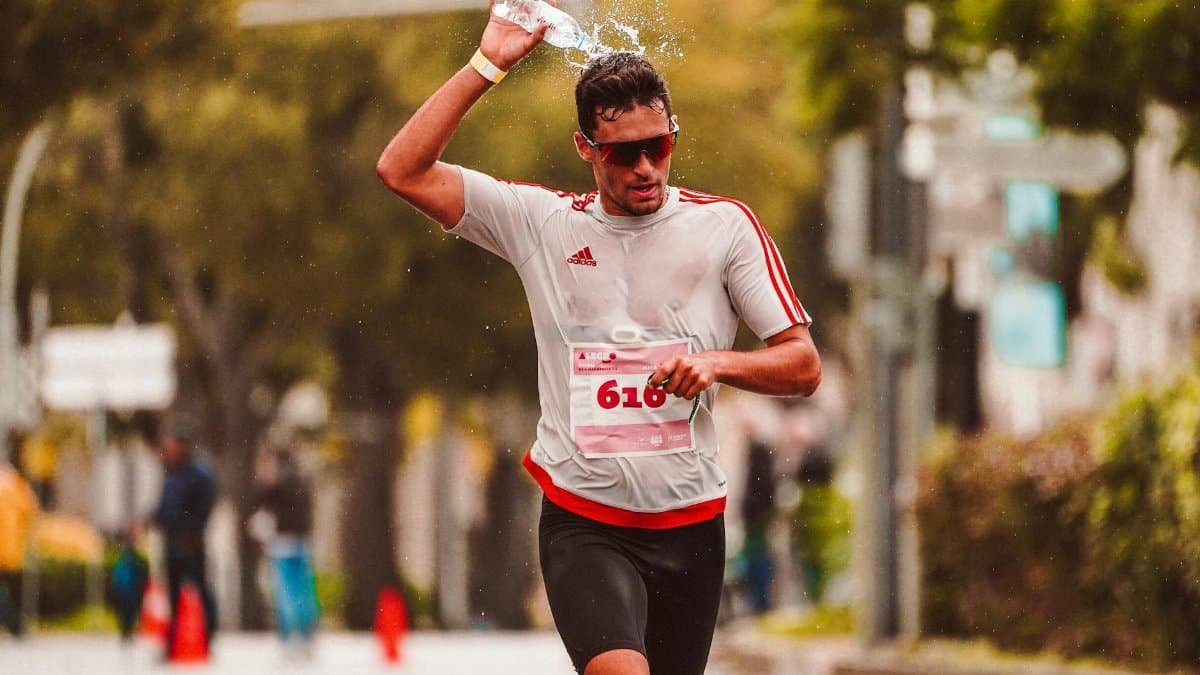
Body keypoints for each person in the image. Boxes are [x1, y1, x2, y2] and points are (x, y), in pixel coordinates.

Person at [375, 5, 821, 673]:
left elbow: (802, 363)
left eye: (659, 146)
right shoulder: (541, 224)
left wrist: (716, 364)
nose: (645, 168)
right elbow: (402, 170)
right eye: (623, 153)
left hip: (691, 523)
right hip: (586, 522)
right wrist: (487, 63)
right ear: (586, 148)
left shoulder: (725, 228)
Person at [153, 426, 217, 657]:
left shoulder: (199, 473)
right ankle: (172, 645)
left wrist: (191, 531)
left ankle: (207, 641)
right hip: (172, 541)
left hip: (191, 543)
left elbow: (204, 507)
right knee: (172, 594)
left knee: (200, 590)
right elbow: (165, 507)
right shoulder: (172, 472)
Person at [250, 447, 319, 658]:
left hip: (282, 543)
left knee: (286, 595)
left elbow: (263, 499)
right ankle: (307, 635)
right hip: (301, 541)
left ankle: (291, 637)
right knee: (303, 593)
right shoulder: (303, 479)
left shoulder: (278, 482)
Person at [0, 460, 36, 637]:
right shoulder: (20, 489)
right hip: (14, 553)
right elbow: (31, 512)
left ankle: (15, 625)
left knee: (5, 596)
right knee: (12, 594)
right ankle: (17, 625)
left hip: (5, 551)